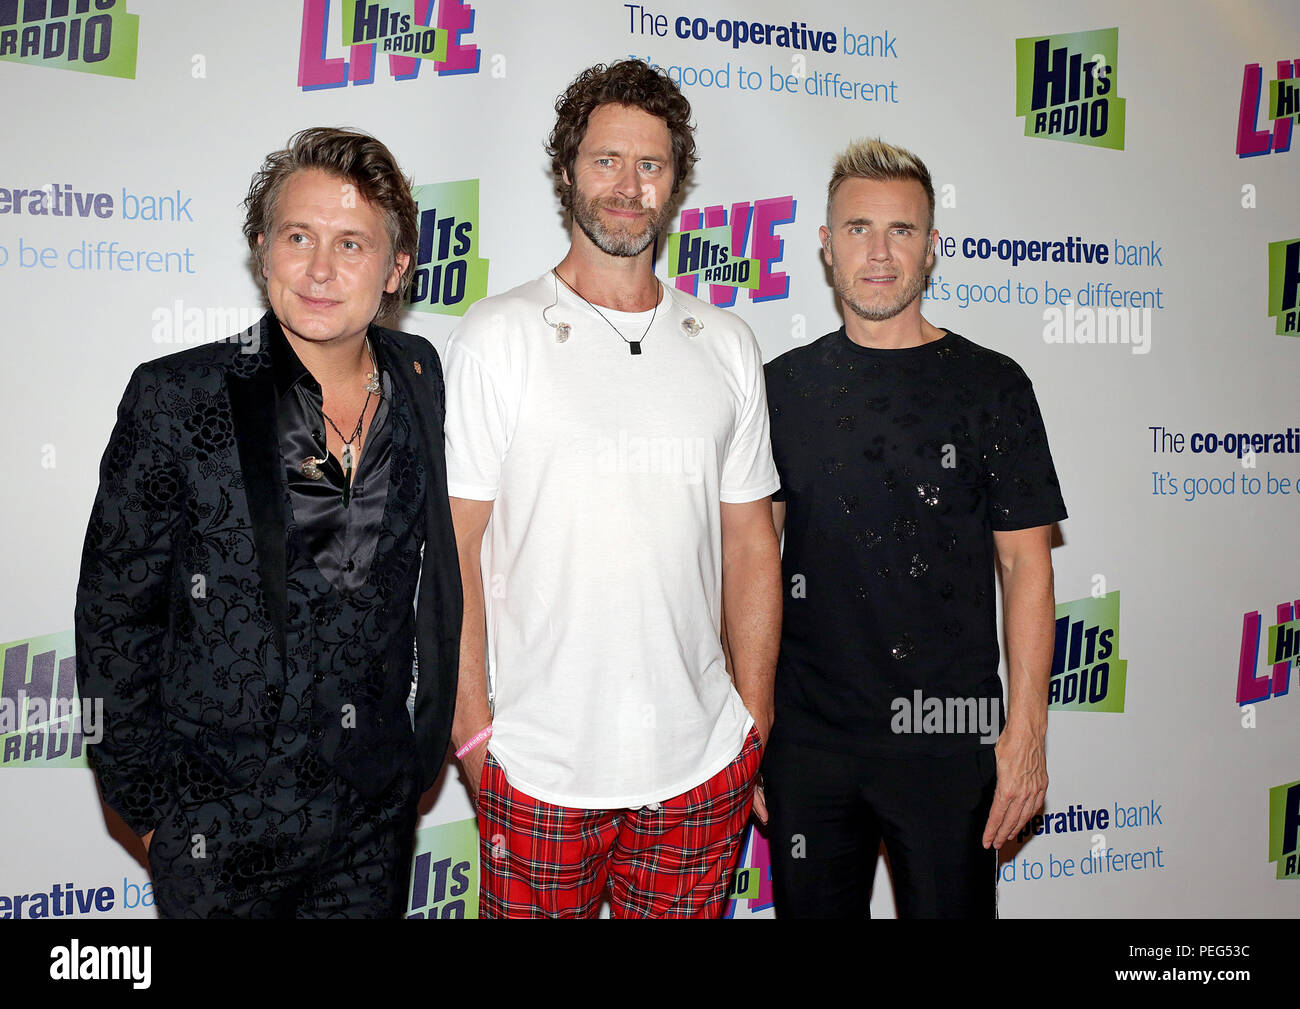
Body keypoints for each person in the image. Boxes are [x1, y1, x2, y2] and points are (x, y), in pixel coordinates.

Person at [74, 127, 462, 918]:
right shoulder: (177, 397)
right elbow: (114, 619)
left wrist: (415, 760)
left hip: (370, 824)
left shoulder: (422, 376)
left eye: (351, 244)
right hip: (218, 831)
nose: (321, 270)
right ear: (262, 250)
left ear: (396, 268)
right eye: (298, 237)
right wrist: (151, 815)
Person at [444, 59, 782, 918]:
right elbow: (454, 552)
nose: (628, 187)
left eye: (651, 165)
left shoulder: (726, 343)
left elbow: (751, 543)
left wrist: (752, 724)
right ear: (568, 172)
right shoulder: (499, 336)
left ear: (675, 181)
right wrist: (477, 738)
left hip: (702, 772)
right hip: (539, 772)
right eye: (607, 161)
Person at [762, 138, 1067, 918]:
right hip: (809, 743)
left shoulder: (993, 386)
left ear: (932, 249)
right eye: (858, 229)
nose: (879, 252)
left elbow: (1027, 567)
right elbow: (752, 565)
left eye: (901, 231)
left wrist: (1026, 735)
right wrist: (750, 726)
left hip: (950, 742)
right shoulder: (781, 387)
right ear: (827, 249)